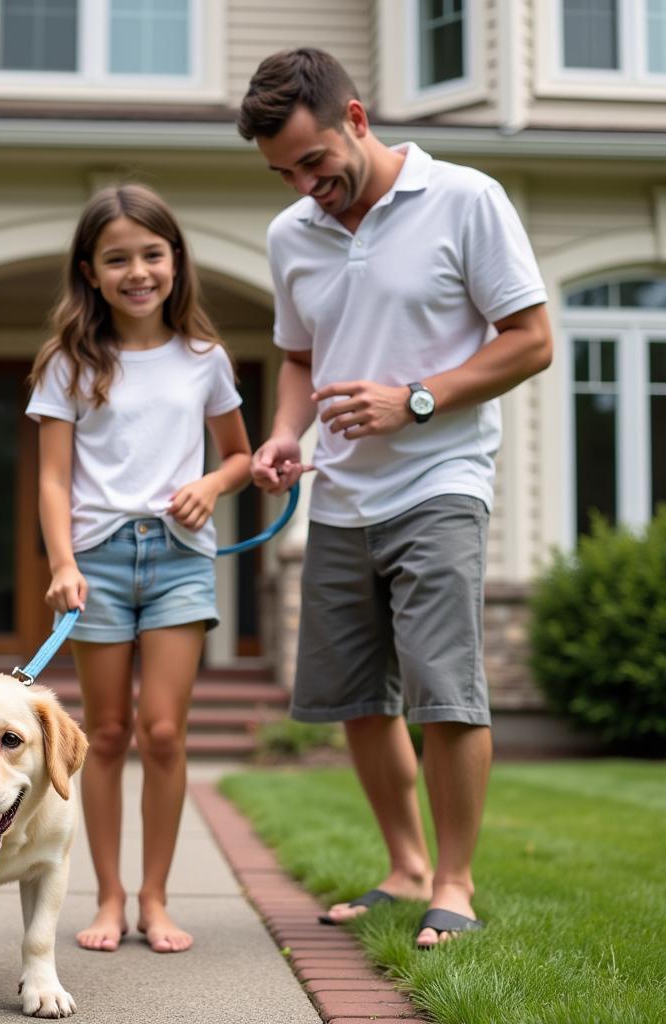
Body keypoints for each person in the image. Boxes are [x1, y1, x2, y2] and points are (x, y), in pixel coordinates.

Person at [236, 49, 552, 949]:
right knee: (357, 698)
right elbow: (300, 356)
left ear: (357, 120)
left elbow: (530, 341)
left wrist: (413, 400)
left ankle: (454, 882)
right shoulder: (291, 233)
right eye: (283, 173)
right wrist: (287, 434)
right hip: (338, 495)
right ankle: (406, 866)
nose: (304, 185)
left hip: (440, 481)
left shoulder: (466, 199)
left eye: (313, 161)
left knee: (443, 690)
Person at [26, 184, 251, 953]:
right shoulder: (69, 362)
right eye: (117, 258)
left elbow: (242, 456)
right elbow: (53, 478)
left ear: (175, 261)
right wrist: (61, 562)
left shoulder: (204, 360)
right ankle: (109, 898)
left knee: (162, 731)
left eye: (152, 254)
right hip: (96, 564)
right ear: (89, 271)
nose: (137, 272)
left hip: (181, 559)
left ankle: (156, 898)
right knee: (109, 732)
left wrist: (212, 484)